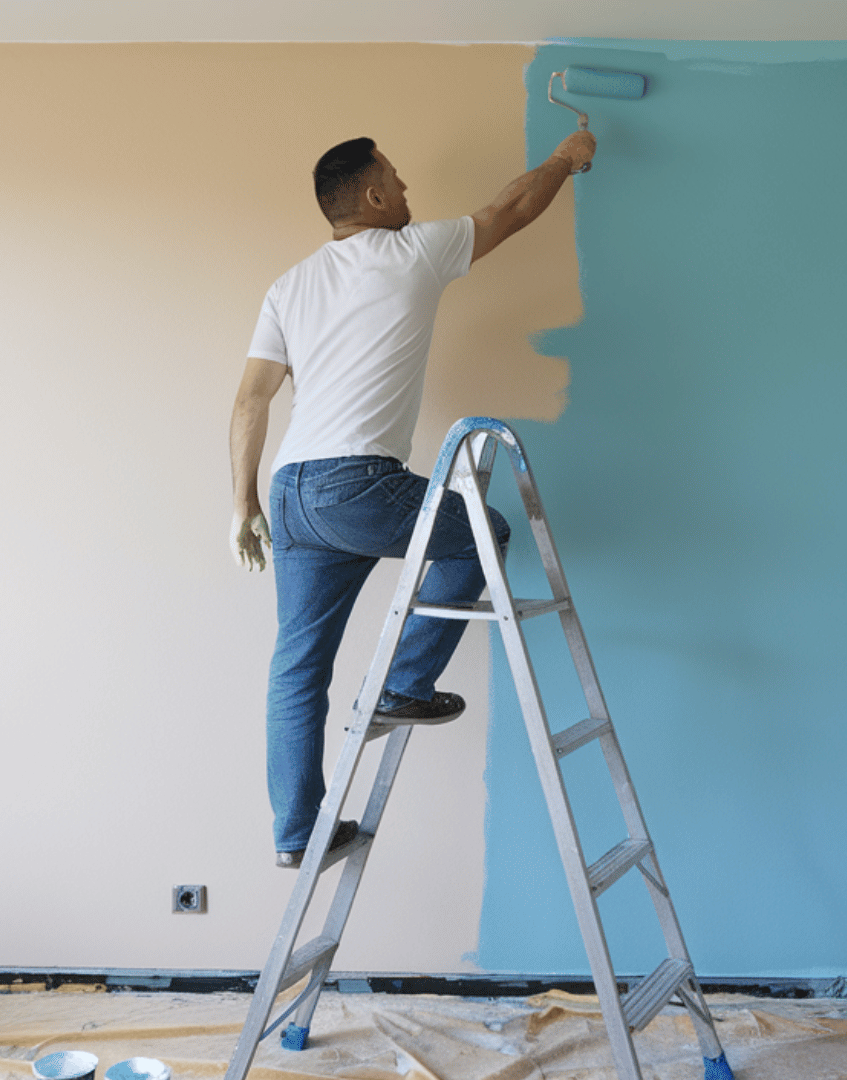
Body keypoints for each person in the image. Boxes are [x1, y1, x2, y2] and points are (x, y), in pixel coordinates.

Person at [229, 131, 597, 868]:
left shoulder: (288, 286)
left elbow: (251, 400)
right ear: (372, 196)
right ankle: (402, 685)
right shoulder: (411, 251)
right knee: (485, 533)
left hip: (291, 492)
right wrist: (566, 158)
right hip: (354, 482)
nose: (406, 191)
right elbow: (510, 211)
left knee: (297, 666)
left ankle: (296, 835)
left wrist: (243, 505)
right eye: (396, 181)